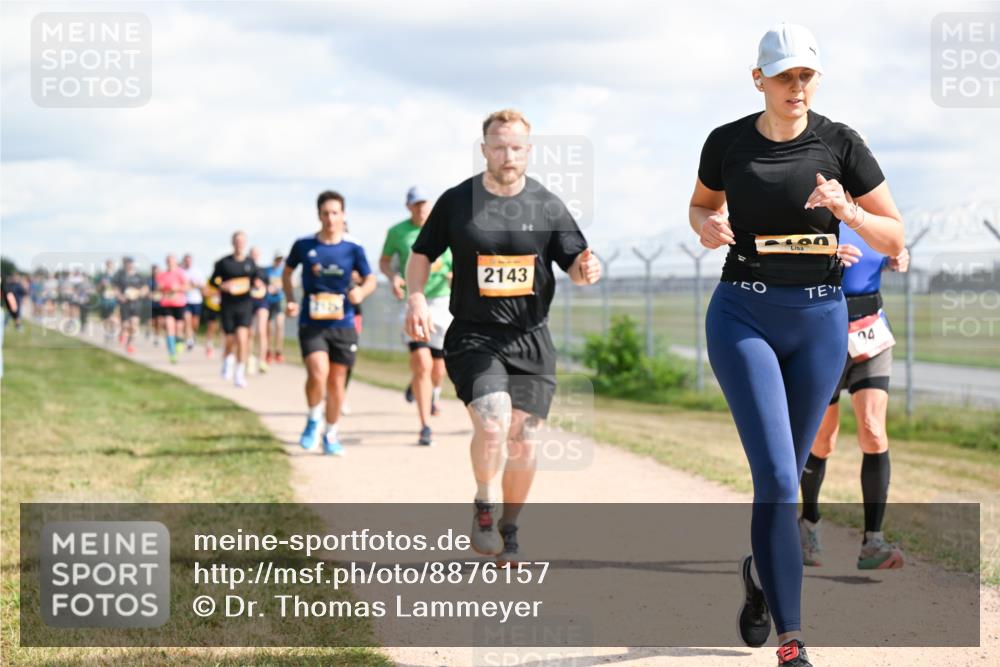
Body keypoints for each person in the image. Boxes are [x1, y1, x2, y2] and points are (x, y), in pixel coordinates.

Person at [689, 24, 905, 667]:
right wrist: (709, 228)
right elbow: (701, 207)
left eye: (806, 74)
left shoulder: (842, 144)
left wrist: (850, 213)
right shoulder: (725, 143)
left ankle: (761, 575)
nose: (796, 86)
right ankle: (793, 639)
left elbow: (893, 237)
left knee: (791, 473)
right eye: (783, 75)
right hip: (743, 313)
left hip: (819, 322)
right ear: (758, 79)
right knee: (780, 478)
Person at [405, 109, 601, 564]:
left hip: (531, 337)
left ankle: (510, 527)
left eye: (516, 147)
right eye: (498, 146)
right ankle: (484, 502)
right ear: (484, 149)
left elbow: (575, 261)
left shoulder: (547, 205)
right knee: (493, 422)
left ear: (528, 152)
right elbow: (421, 255)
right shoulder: (457, 202)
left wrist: (587, 271)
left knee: (522, 439)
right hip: (475, 335)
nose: (507, 155)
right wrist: (416, 297)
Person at [799, 226, 909, 570]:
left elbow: (892, 247)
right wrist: (822, 256)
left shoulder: (876, 210)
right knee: (823, 438)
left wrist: (898, 257)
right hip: (823, 332)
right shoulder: (814, 212)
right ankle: (809, 522)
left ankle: (872, 542)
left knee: (874, 429)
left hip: (870, 332)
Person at [283, 191, 376, 456]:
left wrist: (362, 292)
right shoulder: (303, 245)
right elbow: (288, 272)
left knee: (336, 382)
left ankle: (331, 433)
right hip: (312, 321)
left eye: (335, 213)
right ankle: (314, 418)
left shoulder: (353, 247)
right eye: (325, 213)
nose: (330, 218)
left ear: (343, 215)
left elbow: (369, 279)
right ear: (319, 215)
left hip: (343, 322)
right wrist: (290, 298)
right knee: (317, 372)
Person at [381, 186, 454, 446]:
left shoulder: (446, 228)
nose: (421, 208)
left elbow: (458, 262)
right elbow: (384, 261)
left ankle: (427, 391)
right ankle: (425, 425)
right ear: (408, 206)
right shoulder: (397, 232)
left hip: (442, 301)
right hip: (414, 299)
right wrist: (393, 277)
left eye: (425, 204)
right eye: (416, 204)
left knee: (438, 367)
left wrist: (453, 275)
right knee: (421, 363)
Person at [211, 231, 263, 387]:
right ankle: (227, 359)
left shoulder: (250, 263)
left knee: (242, 338)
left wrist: (258, 283)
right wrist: (223, 286)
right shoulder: (224, 263)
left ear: (245, 243)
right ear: (233, 243)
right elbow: (214, 281)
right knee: (230, 339)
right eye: (237, 241)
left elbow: (257, 278)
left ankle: (239, 373)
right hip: (228, 305)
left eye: (242, 241)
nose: (239, 244)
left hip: (245, 305)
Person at [156, 254, 189, 363]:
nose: (170, 263)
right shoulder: (162, 274)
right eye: (168, 261)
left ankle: (179, 341)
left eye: (172, 261)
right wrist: (162, 288)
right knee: (169, 327)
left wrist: (178, 288)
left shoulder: (180, 273)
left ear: (175, 262)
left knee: (179, 328)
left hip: (179, 303)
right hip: (167, 304)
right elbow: (159, 288)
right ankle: (172, 353)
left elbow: (187, 286)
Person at [113, 256, 147, 354]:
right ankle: (122, 333)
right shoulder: (119, 275)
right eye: (127, 263)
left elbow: (145, 288)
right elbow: (115, 288)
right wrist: (120, 296)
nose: (129, 265)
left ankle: (130, 344)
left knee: (134, 325)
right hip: (124, 303)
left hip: (136, 303)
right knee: (125, 325)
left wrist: (141, 293)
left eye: (131, 263)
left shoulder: (139, 275)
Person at [248, 246, 270, 374]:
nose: (254, 256)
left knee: (262, 331)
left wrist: (264, 286)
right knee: (250, 332)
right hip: (249, 303)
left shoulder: (263, 271)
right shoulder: (245, 269)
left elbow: (268, 285)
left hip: (262, 302)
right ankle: (250, 358)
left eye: (257, 254)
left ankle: (262, 360)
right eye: (253, 254)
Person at [265, 250, 287, 364]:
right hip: (269, 301)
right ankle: (268, 351)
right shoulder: (267, 270)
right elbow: (263, 283)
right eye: (277, 259)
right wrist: (268, 287)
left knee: (280, 326)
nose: (279, 262)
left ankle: (279, 351)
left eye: (281, 260)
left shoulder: (283, 271)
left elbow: (289, 282)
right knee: (270, 328)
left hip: (279, 300)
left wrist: (280, 286)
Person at [181, 253, 205, 352]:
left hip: (196, 300)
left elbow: (203, 286)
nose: (188, 262)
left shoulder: (198, 271)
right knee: (187, 320)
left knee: (195, 323)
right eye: (186, 260)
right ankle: (189, 340)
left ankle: (193, 335)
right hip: (184, 300)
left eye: (189, 260)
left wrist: (196, 284)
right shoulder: (181, 271)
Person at [202, 280, 222, 358]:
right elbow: (204, 293)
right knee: (211, 327)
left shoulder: (227, 277)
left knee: (225, 329)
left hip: (224, 306)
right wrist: (216, 292)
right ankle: (209, 346)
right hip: (212, 307)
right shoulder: (210, 280)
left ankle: (224, 348)